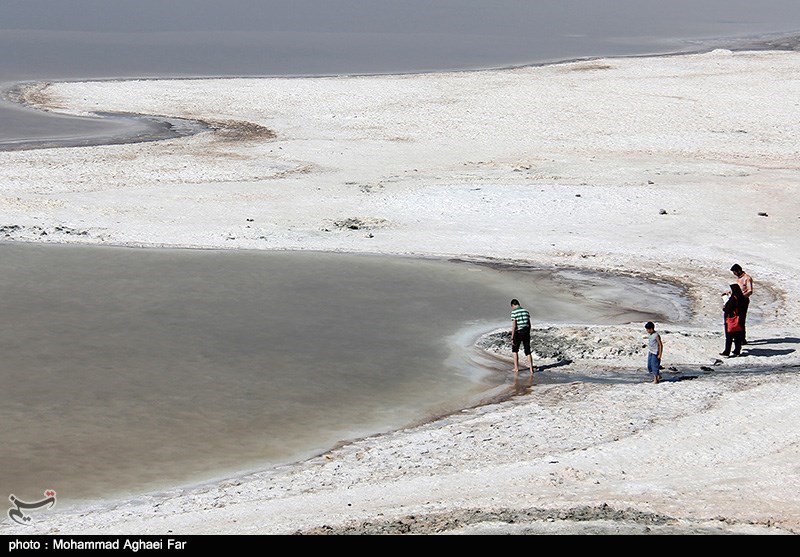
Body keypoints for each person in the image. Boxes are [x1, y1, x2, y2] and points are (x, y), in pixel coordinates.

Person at [510, 299, 535, 375]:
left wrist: (512, 336)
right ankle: (531, 369)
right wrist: (528, 332)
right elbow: (529, 324)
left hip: (519, 332)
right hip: (526, 331)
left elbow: (514, 325)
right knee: (527, 350)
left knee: (515, 350)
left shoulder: (514, 312)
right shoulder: (526, 311)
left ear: (513, 305)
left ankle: (516, 368)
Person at [730, 264, 753, 344]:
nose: (734, 274)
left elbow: (750, 291)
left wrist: (742, 297)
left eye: (735, 272)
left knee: (741, 320)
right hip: (737, 300)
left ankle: (742, 339)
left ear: (738, 270)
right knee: (736, 319)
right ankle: (738, 337)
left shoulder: (747, 278)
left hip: (743, 301)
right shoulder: (739, 279)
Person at [720, 283, 745, 357]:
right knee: (737, 336)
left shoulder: (733, 299)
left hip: (731, 319)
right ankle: (737, 350)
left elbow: (728, 309)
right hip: (739, 319)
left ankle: (726, 351)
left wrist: (724, 307)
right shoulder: (741, 298)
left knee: (729, 336)